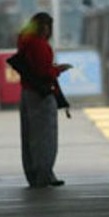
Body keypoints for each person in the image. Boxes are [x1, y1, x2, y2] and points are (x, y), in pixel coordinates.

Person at [17, 12, 71, 188]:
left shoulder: (24, 42)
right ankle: (44, 174)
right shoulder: (40, 45)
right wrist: (58, 70)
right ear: (45, 27)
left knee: (29, 137)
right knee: (45, 137)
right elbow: (43, 72)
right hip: (41, 96)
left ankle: (34, 175)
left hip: (27, 94)